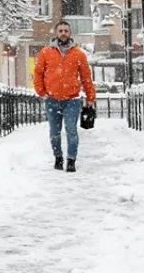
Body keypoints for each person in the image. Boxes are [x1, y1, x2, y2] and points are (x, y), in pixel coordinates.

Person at [33, 20, 95, 172]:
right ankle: (58, 157)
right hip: (52, 99)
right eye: (60, 31)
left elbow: (86, 77)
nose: (63, 33)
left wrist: (90, 97)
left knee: (71, 130)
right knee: (54, 132)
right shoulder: (46, 53)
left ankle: (71, 159)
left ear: (70, 33)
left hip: (72, 100)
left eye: (66, 31)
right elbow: (38, 73)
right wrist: (42, 92)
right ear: (56, 33)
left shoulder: (78, 54)